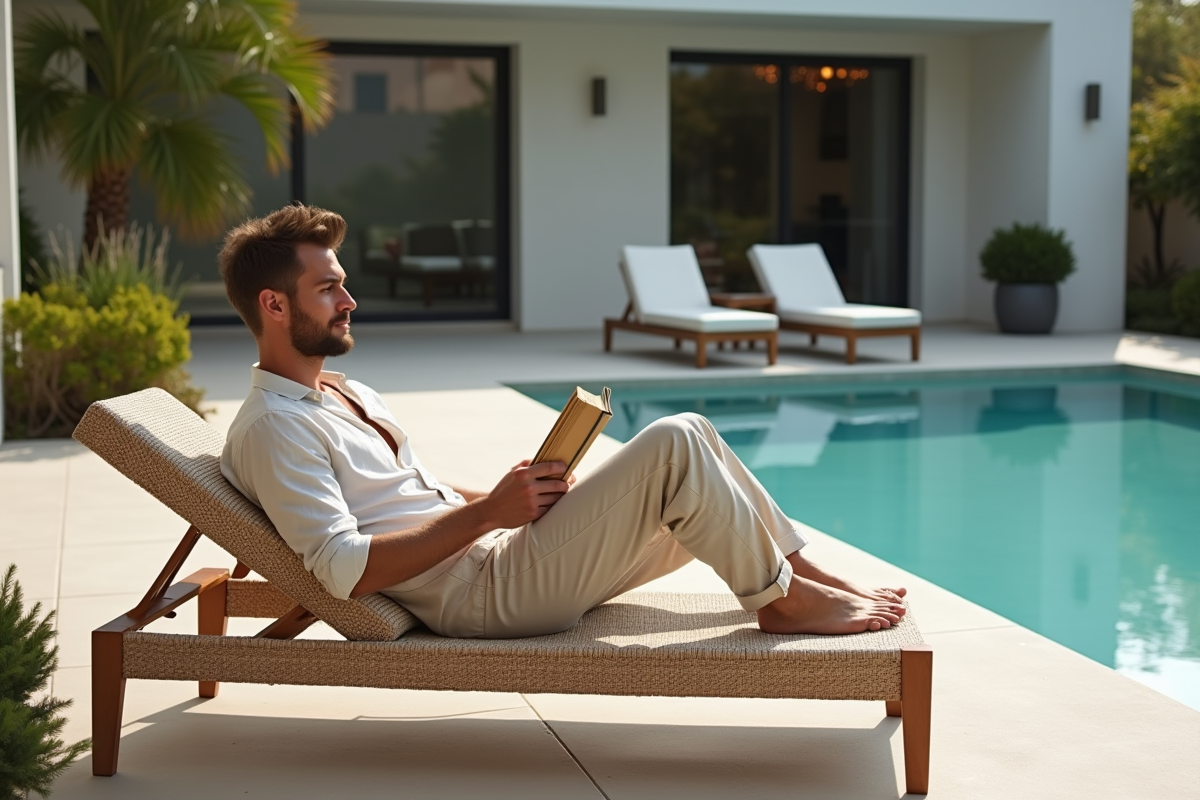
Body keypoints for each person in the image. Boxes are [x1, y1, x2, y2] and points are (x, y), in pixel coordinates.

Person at [218, 205, 907, 639]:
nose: (350, 299)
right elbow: (341, 569)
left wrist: (519, 498)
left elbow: (405, 497)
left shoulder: (340, 389)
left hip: (502, 558)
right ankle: (781, 601)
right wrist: (489, 515)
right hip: (484, 597)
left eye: (342, 282)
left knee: (694, 434)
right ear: (274, 306)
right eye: (328, 287)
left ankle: (798, 573)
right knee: (672, 443)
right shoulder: (275, 428)